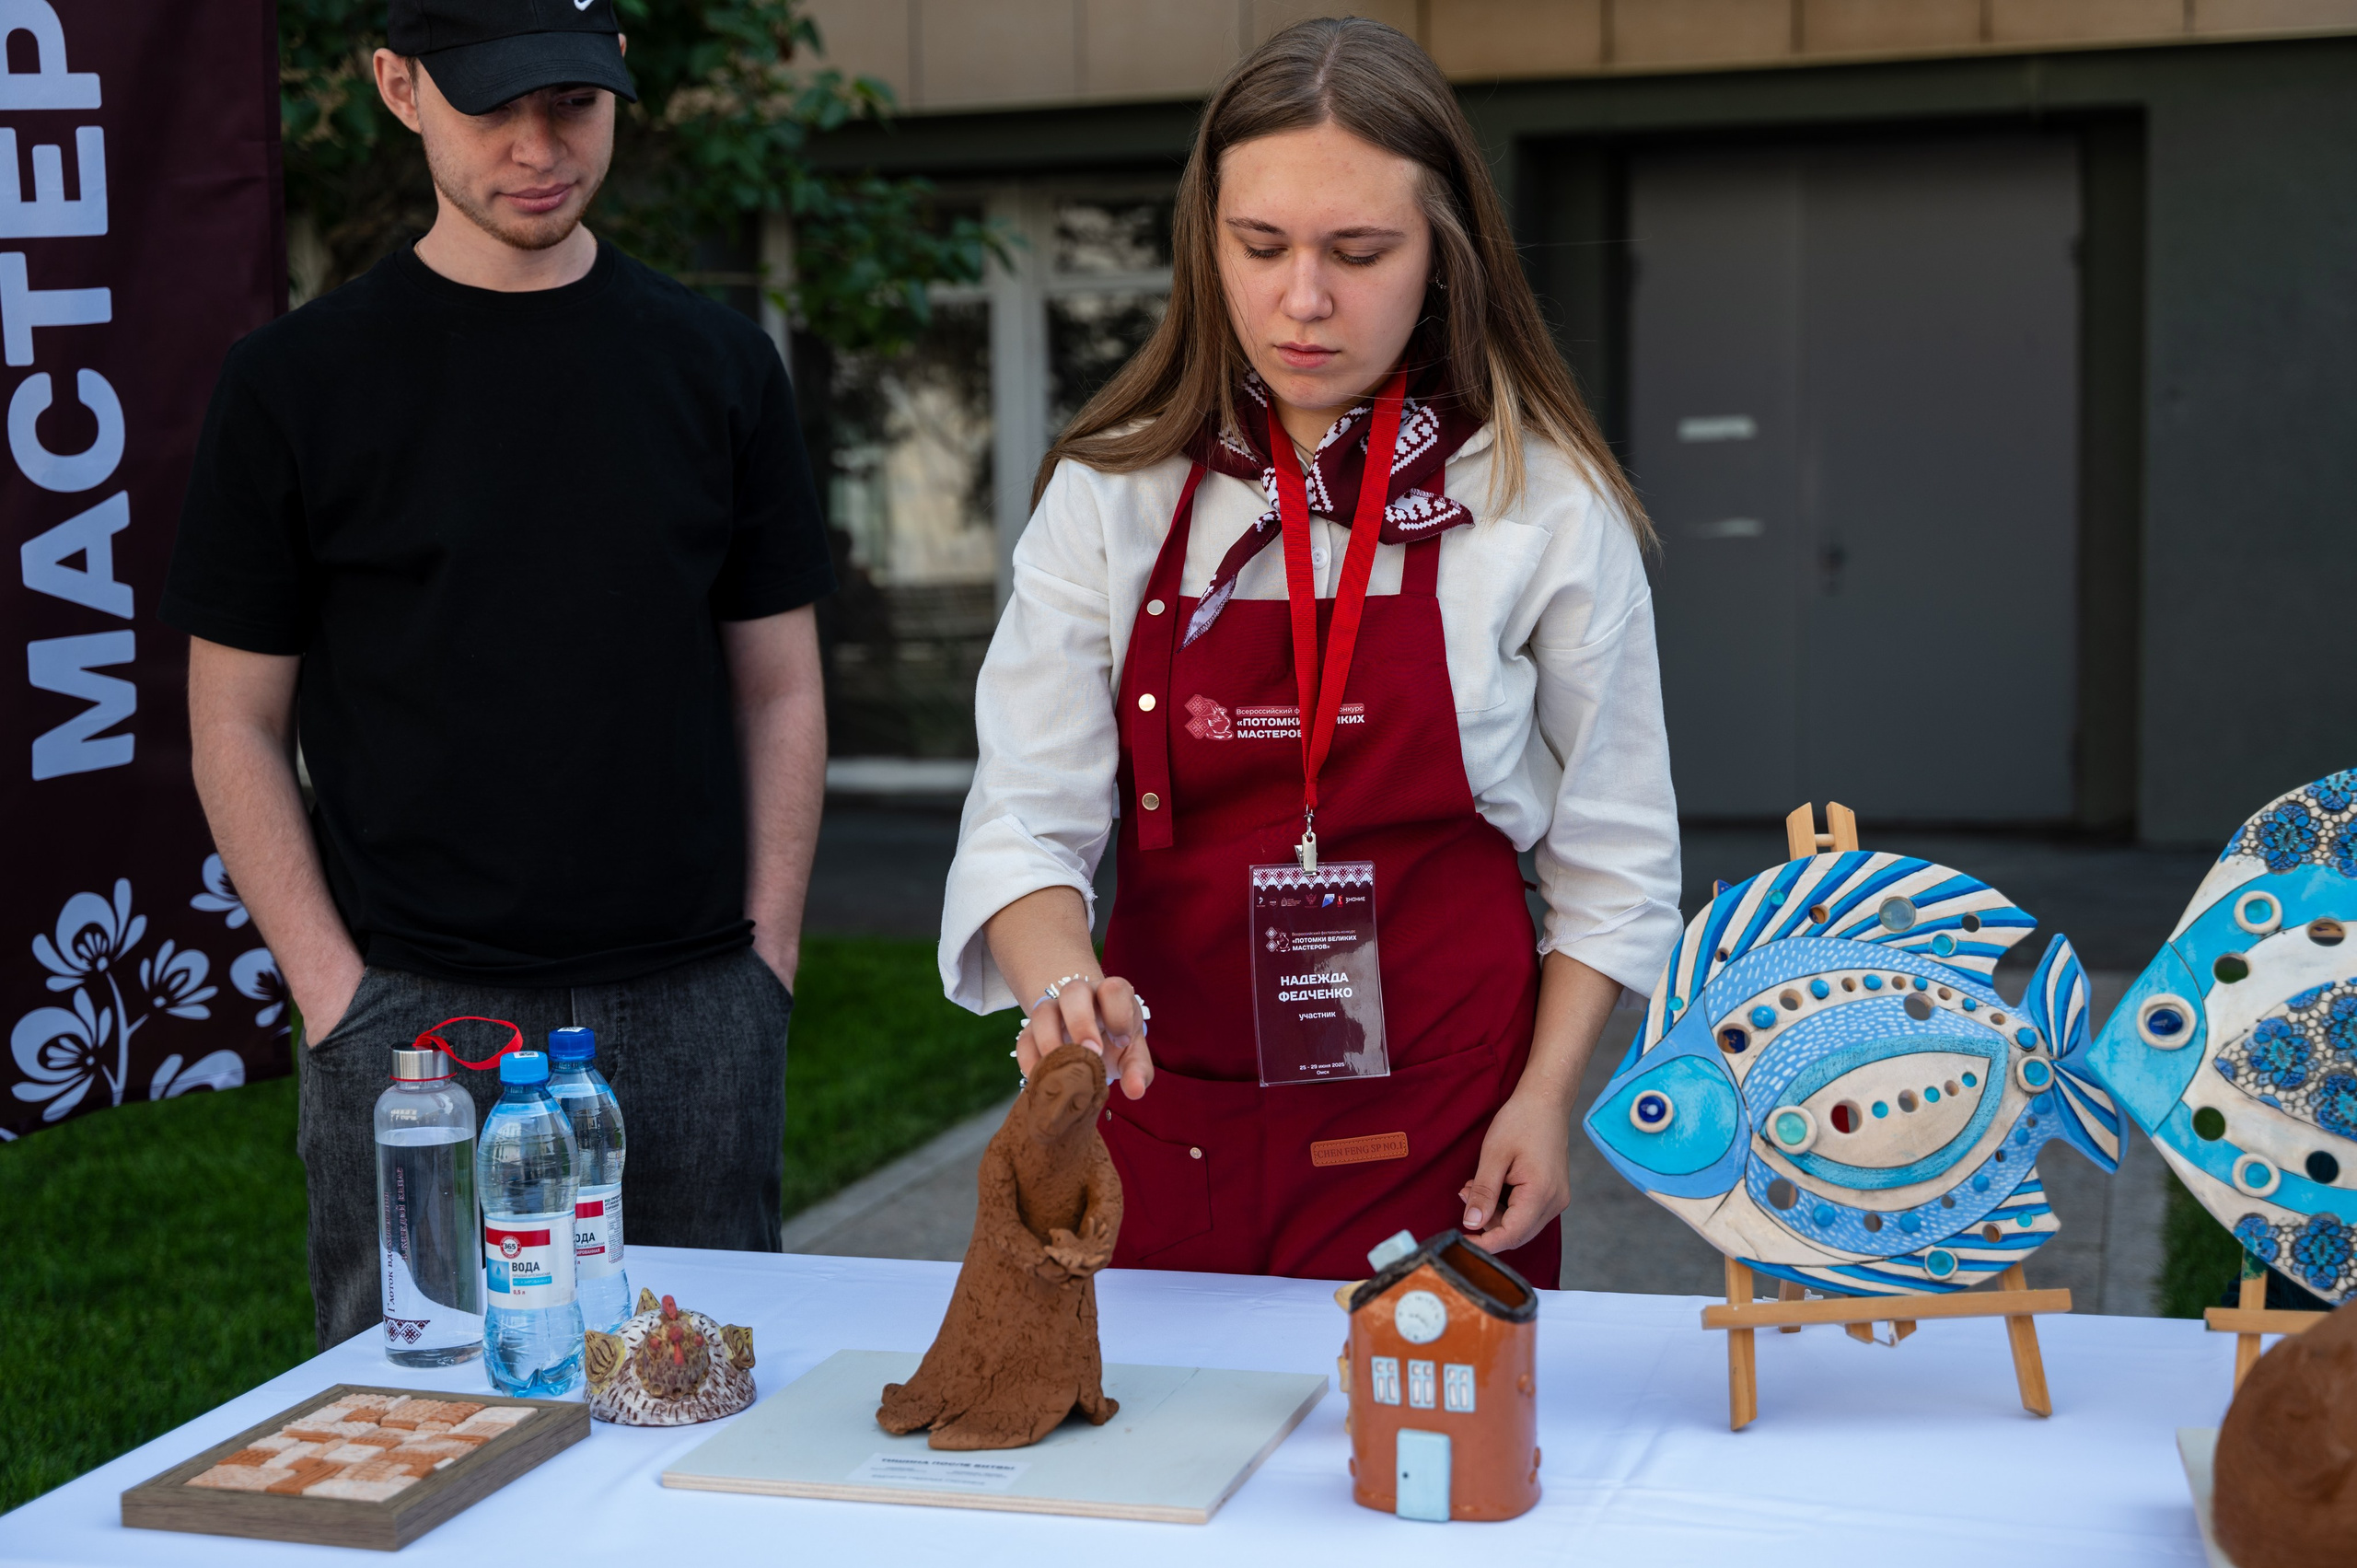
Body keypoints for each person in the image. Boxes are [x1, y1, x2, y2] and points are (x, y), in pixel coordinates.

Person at [937, 17, 1680, 1284]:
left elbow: (1614, 864)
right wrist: (1065, 986)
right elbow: (1024, 819)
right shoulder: (1111, 491)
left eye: (1360, 251)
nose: (1304, 300)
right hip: (1166, 1117)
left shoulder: (1543, 505)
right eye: (1261, 245)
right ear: (1204, 241)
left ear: (1446, 256)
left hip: (1451, 1120)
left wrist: (1548, 1099)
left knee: (1427, 1461)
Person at [163, 0, 832, 1350]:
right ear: (399, 88)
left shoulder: (717, 366)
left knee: (690, 1415)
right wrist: (335, 999)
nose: (538, 148)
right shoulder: (294, 384)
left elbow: (781, 688)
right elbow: (233, 721)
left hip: (696, 1000)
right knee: (419, 1429)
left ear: (618, 81)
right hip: (417, 1016)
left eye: (573, 107)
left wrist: (769, 963)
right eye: (491, 110)